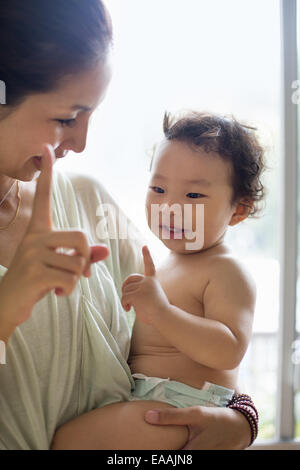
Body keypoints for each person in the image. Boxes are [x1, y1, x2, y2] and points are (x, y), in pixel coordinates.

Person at [0, 0, 257, 450]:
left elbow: (195, 345)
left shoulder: (89, 202)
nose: (80, 142)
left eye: (90, 115)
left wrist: (240, 420)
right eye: (66, 118)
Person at [50, 111, 264, 449]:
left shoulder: (225, 270)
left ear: (238, 210)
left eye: (194, 196)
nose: (171, 207)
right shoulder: (165, 264)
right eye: (159, 189)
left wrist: (161, 312)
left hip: (182, 409)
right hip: (151, 402)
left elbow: (228, 350)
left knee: (67, 442)